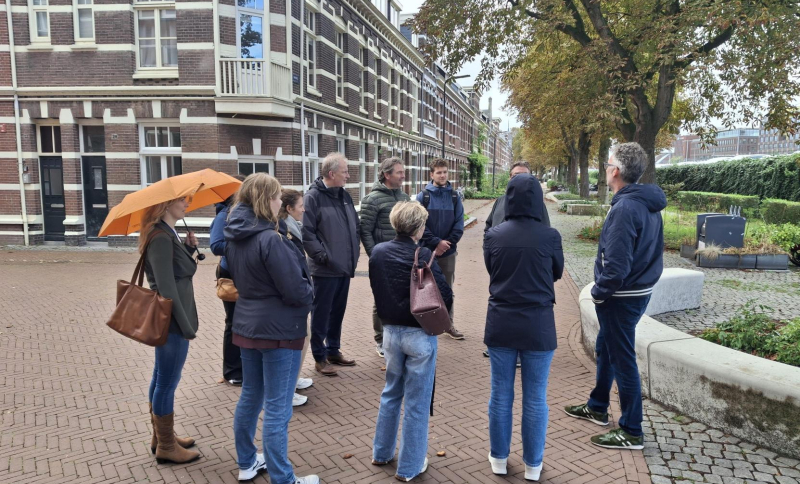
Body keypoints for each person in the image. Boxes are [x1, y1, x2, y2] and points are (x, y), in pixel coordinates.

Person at [564, 142, 666, 450]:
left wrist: (598, 292)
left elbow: (617, 265)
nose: (606, 169)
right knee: (606, 348)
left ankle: (632, 430)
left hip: (621, 296)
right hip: (637, 291)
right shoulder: (646, 203)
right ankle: (597, 406)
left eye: (608, 164)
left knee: (623, 359)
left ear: (616, 171)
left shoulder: (624, 208)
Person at [224, 173, 318, 484]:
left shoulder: (236, 236)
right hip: (279, 330)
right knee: (278, 407)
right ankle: (283, 478)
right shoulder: (269, 239)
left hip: (248, 325)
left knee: (251, 395)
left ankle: (247, 461)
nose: (281, 201)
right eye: (277, 196)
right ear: (267, 200)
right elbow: (294, 289)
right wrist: (309, 296)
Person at [483, 174, 563, 481]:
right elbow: (556, 272)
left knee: (500, 394)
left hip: (501, 321)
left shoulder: (494, 235)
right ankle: (533, 464)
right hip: (539, 324)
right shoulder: (550, 236)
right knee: (536, 397)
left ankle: (499, 459)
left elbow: (493, 270)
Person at [369, 201, 453, 482]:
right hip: (419, 333)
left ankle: (381, 453)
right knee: (417, 402)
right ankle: (409, 467)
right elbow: (445, 294)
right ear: (419, 226)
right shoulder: (423, 253)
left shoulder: (378, 253)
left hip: (391, 333)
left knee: (391, 392)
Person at [141, 197, 201, 465]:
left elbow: (178, 271)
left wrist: (188, 249)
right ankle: (166, 445)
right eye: (181, 200)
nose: (186, 204)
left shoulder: (167, 234)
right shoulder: (161, 237)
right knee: (167, 381)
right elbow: (166, 288)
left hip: (173, 318)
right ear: (164, 205)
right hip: (172, 320)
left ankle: (161, 436)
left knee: (161, 376)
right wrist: (185, 325)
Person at [483, 161, 552, 359]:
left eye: (523, 176)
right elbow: (488, 228)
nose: (518, 180)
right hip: (502, 268)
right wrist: (490, 254)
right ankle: (499, 346)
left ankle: (523, 352)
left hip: (528, 269)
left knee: (525, 309)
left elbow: (546, 239)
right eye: (515, 176)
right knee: (500, 306)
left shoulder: (539, 207)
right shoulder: (500, 201)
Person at [303, 152, 361, 376]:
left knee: (337, 311)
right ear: (331, 173)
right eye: (345, 171)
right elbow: (307, 232)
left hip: (343, 266)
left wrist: (353, 255)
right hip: (325, 268)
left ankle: (333, 350)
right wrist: (321, 256)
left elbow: (354, 227)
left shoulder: (344, 195)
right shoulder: (313, 197)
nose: (348, 175)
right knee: (321, 313)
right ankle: (319, 357)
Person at [359, 157, 410, 357]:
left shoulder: (405, 198)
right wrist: (375, 256)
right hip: (383, 259)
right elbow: (365, 231)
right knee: (381, 299)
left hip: (403, 258)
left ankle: (398, 337)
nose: (403, 175)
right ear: (387, 175)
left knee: (403, 297)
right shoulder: (371, 200)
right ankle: (380, 340)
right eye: (399, 172)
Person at [415, 158, 465, 340]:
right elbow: (420, 224)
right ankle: (426, 324)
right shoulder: (424, 197)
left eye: (445, 172)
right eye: (439, 172)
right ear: (431, 174)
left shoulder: (454, 197)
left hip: (448, 252)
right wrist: (436, 242)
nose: (443, 175)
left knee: (447, 288)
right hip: (427, 251)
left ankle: (448, 324)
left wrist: (447, 244)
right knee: (425, 288)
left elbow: (460, 224)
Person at [279, 188, 314, 407]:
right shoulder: (283, 231)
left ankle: (292, 380)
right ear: (289, 208)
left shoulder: (291, 227)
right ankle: (287, 389)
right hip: (291, 300)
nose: (304, 209)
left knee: (304, 338)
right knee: (296, 341)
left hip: (298, 295)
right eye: (300, 205)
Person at [210, 174, 246, 386]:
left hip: (241, 273)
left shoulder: (241, 213)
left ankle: (241, 367)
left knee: (242, 322)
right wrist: (244, 247)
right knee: (233, 323)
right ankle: (231, 372)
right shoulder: (224, 214)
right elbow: (216, 245)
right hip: (230, 275)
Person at [484, 161, 550, 233]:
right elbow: (489, 225)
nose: (521, 179)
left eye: (525, 175)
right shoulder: (500, 200)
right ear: (510, 178)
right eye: (516, 175)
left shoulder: (538, 204)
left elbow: (545, 231)